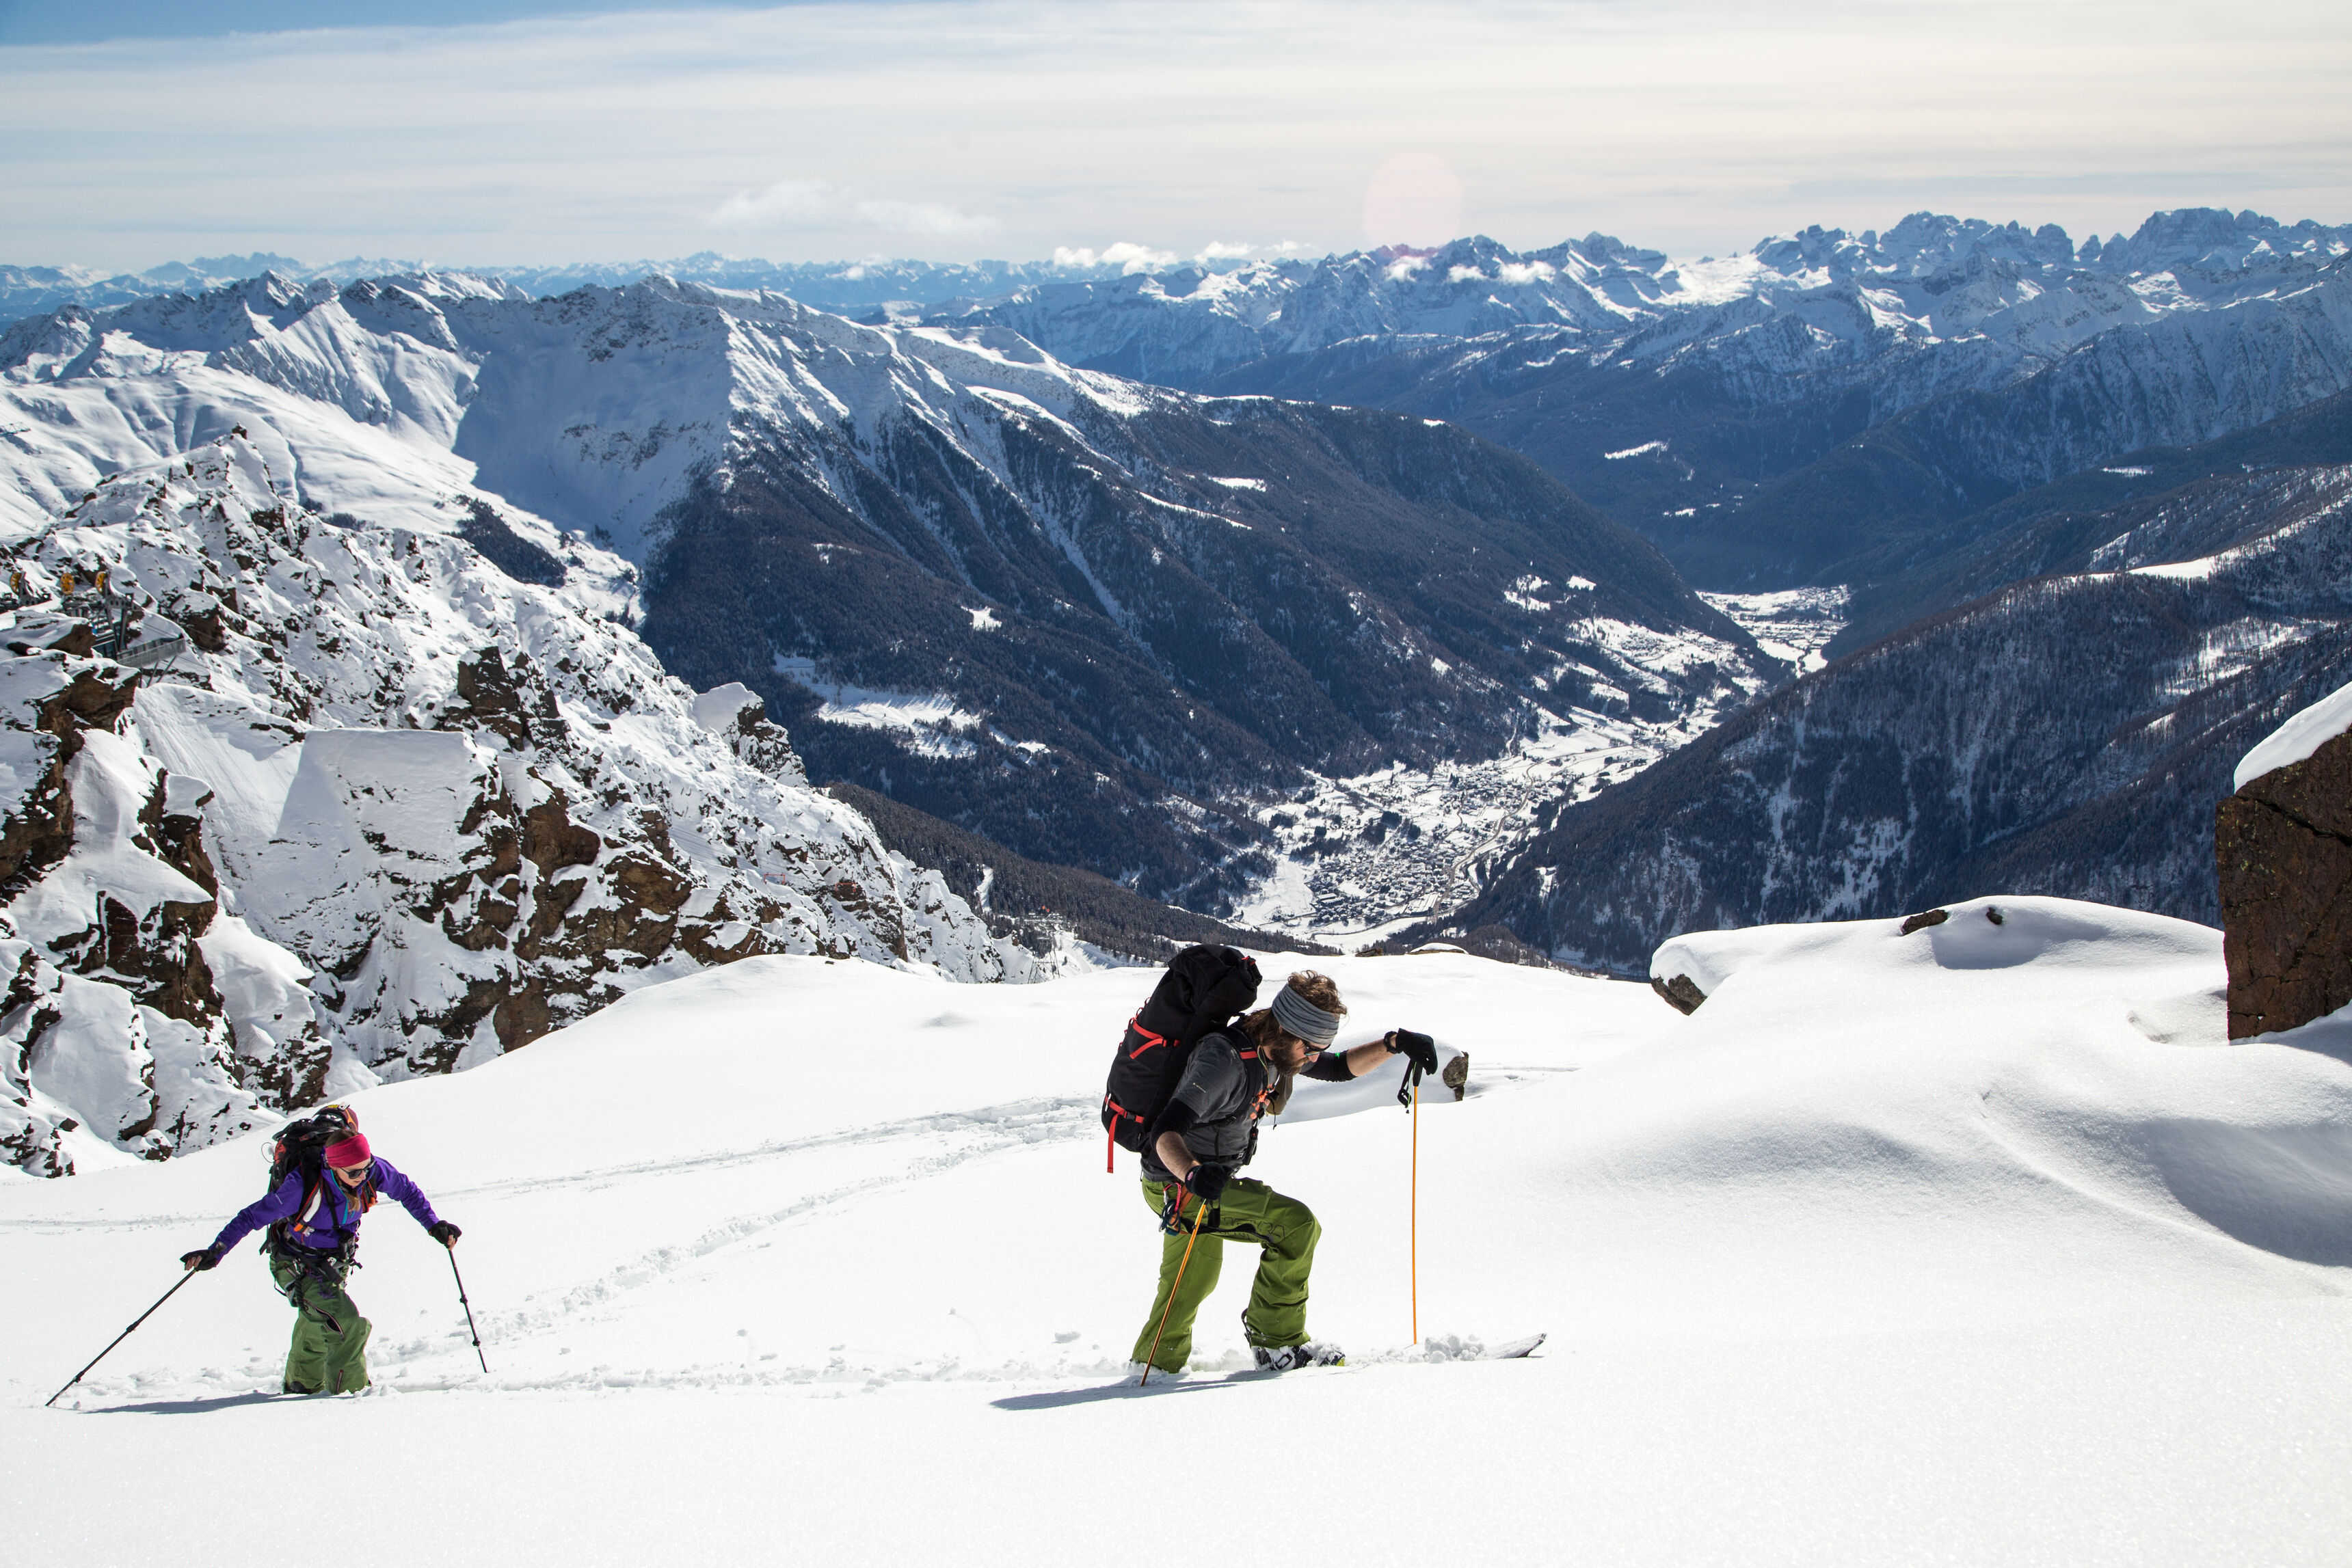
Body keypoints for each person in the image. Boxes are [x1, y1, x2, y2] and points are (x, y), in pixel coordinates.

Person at [1132, 970, 1439, 1375]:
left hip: (1190, 1183)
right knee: (1296, 1226)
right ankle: (1277, 1344)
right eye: (1311, 1049)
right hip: (1181, 1183)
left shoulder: (1274, 1047)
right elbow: (1164, 1132)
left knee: (1193, 1279)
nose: (1314, 1058)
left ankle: (1153, 1367)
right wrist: (1191, 1174)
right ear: (1291, 1035)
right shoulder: (1222, 1062)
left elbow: (1338, 1067)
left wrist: (1394, 1044)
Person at [181, 1128, 459, 1395]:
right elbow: (251, 1217)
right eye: (354, 1172)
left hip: (335, 1262)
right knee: (347, 1324)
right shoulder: (301, 1187)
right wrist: (215, 1251)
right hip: (295, 1263)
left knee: (318, 1319)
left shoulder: (370, 1170)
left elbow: (406, 1190)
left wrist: (434, 1225)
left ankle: (301, 1384)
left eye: (367, 1167)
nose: (363, 1176)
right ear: (332, 1166)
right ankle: (349, 1396)